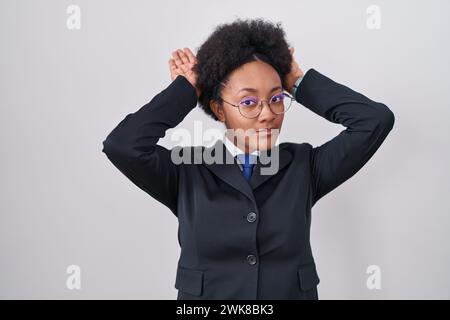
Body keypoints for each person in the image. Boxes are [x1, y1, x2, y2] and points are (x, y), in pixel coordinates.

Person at [102, 18, 395, 300]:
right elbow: (123, 145)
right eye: (249, 102)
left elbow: (375, 120)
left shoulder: (304, 166)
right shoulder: (186, 169)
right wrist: (186, 90)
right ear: (219, 109)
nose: (267, 113)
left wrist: (297, 82)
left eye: (277, 98)